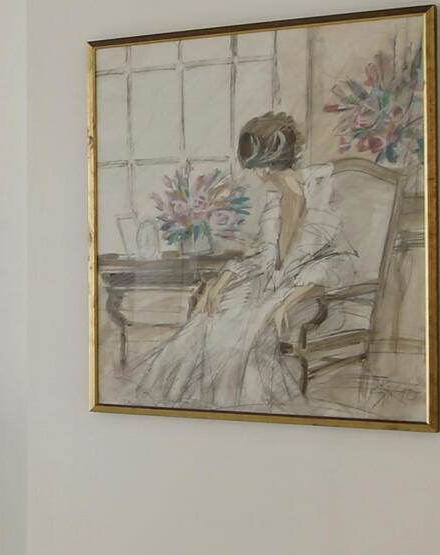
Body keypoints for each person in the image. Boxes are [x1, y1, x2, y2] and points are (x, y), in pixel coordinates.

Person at [125, 112, 361, 409]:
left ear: (268, 163)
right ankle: (196, 403)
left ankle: (240, 406)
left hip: (308, 292)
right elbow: (262, 256)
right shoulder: (275, 201)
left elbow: (340, 263)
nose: (260, 176)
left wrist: (289, 298)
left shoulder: (323, 196)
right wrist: (223, 279)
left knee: (242, 329)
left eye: (261, 167)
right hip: (268, 285)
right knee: (211, 314)